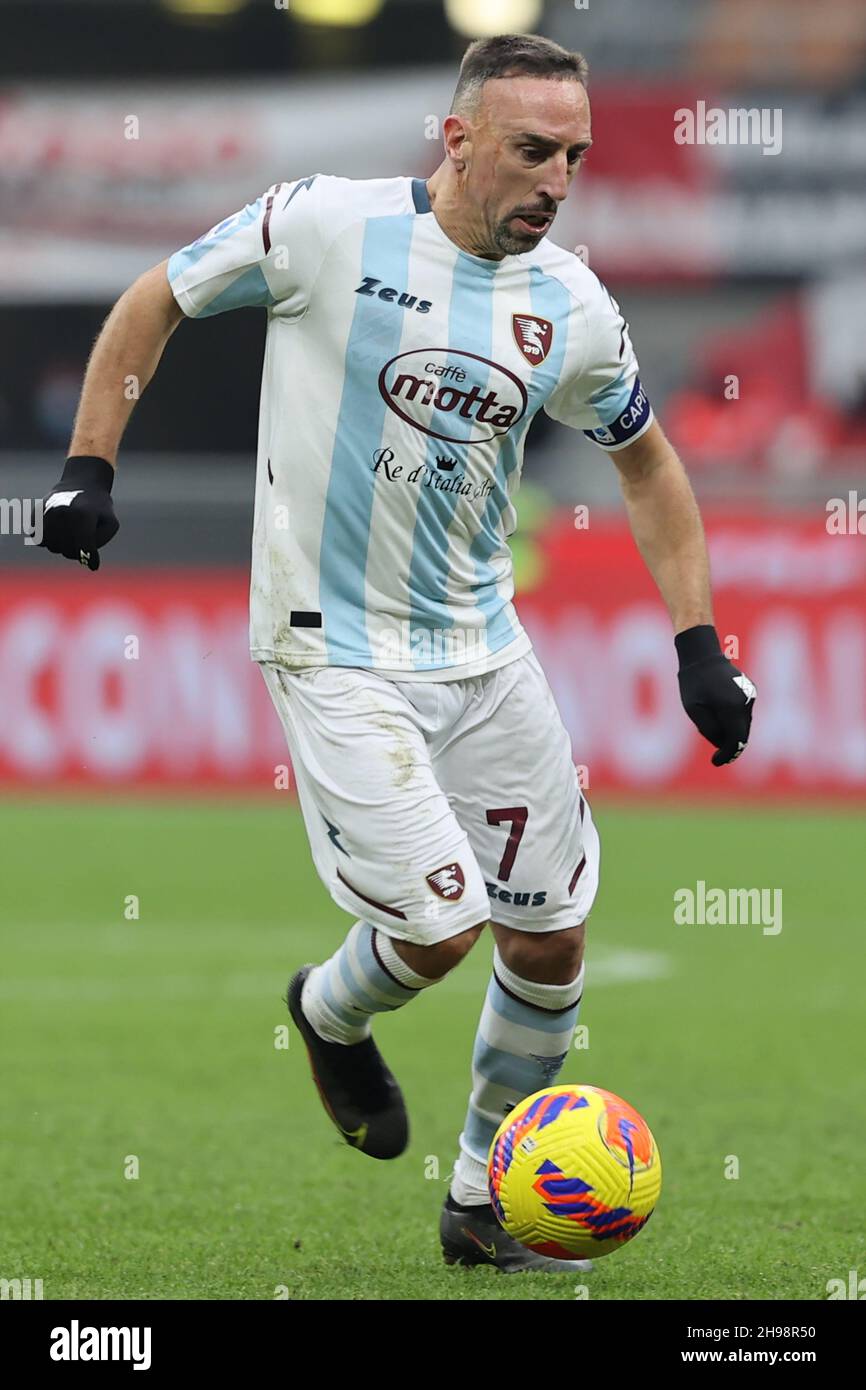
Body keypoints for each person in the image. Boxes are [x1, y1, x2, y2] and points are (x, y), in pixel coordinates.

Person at [39, 33, 755, 1273]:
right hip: (332, 646)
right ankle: (325, 1010)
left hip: (483, 651)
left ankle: (481, 1199)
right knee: (439, 928)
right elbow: (158, 293)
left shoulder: (571, 305)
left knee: (548, 939)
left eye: (574, 156)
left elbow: (644, 460)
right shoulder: (324, 227)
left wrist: (698, 643)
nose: (555, 179)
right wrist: (89, 464)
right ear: (458, 138)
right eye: (531, 150)